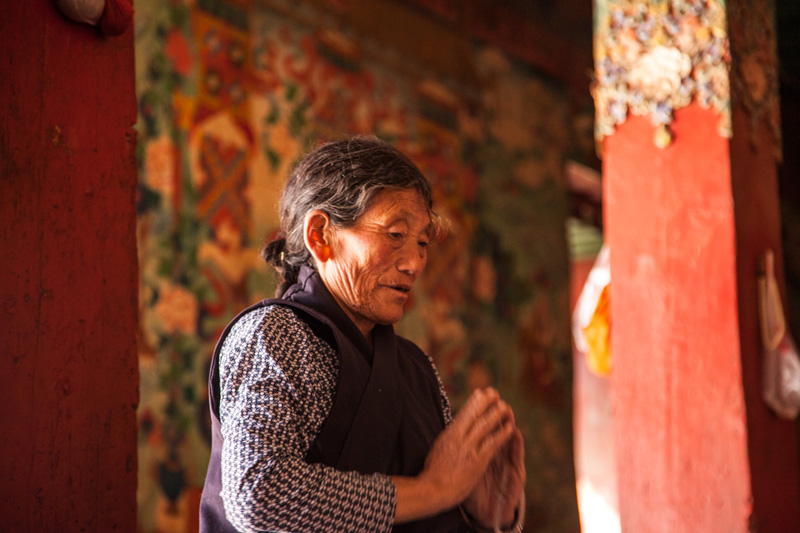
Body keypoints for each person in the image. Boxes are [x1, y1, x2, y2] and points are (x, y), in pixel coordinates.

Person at [200, 136, 526, 532]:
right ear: (320, 235)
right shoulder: (276, 335)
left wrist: (485, 516)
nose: (414, 264)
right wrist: (434, 490)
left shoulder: (414, 367)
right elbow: (259, 494)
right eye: (395, 235)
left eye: (422, 243)